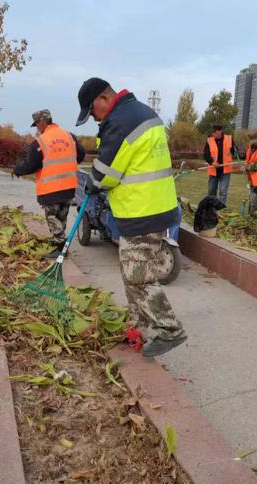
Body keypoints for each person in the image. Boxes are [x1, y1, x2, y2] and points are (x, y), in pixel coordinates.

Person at [76, 77, 186, 357]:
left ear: (103, 99)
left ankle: (170, 329)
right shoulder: (143, 112)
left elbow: (107, 173)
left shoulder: (120, 121)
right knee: (132, 273)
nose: (94, 120)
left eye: (92, 113)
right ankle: (137, 328)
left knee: (137, 276)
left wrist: (92, 182)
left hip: (142, 211)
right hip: (157, 207)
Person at [14, 109, 85, 254]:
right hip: (69, 186)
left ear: (42, 122)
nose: (37, 128)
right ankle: (58, 242)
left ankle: (60, 247)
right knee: (61, 217)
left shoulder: (40, 142)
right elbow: (81, 154)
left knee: (52, 217)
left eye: (36, 125)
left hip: (51, 189)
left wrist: (17, 170)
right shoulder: (69, 136)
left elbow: (30, 165)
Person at [203, 124, 238, 205]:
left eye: (214, 133)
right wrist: (212, 162)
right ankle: (211, 208)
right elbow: (206, 154)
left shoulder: (229, 139)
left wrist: (241, 155)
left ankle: (221, 210)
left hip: (225, 171)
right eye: (212, 133)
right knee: (211, 192)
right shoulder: (209, 140)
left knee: (223, 192)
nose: (212, 134)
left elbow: (234, 151)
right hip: (213, 171)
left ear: (220, 132)